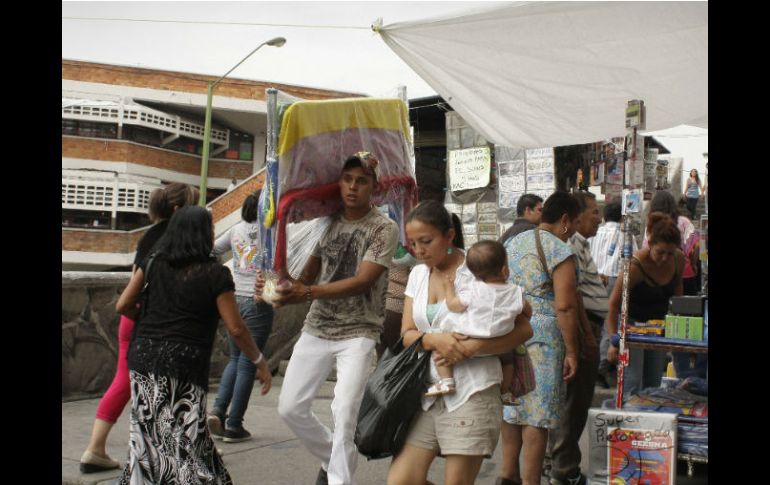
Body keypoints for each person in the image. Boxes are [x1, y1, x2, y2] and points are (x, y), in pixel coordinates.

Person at [267, 152, 399, 485]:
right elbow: (307, 276)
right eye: (348, 179)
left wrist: (306, 293)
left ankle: (339, 479)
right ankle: (333, 457)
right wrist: (280, 287)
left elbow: (362, 281)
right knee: (290, 407)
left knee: (345, 412)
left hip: (360, 330)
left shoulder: (384, 227)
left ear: (373, 186)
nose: (353, 187)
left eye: (361, 181)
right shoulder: (325, 221)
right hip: (318, 326)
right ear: (339, 183)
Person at [115, 206, 272, 483]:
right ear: (202, 234)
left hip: (144, 358)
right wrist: (259, 361)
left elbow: (124, 304)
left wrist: (150, 320)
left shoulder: (153, 262)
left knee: (147, 437)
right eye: (210, 229)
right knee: (186, 438)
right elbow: (236, 328)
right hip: (184, 364)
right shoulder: (215, 275)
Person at [387, 200, 533, 485]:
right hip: (426, 391)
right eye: (414, 244)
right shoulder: (417, 274)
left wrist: (474, 348)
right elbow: (406, 333)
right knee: (400, 481)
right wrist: (434, 340)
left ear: (450, 236)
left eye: (426, 241)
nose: (419, 250)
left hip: (474, 389)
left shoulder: (478, 269)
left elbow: (524, 329)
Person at [79, 182, 197, 473]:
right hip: (155, 322)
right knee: (176, 385)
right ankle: (185, 450)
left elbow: (134, 280)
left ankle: (95, 448)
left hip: (132, 320)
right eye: (195, 203)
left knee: (123, 382)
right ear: (178, 209)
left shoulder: (149, 237)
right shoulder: (177, 240)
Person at [496, 191, 581, 485]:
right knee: (537, 414)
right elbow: (566, 305)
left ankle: (507, 473)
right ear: (566, 220)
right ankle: (531, 481)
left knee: (513, 405)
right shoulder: (560, 250)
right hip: (544, 335)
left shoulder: (512, 243)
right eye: (578, 222)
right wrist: (572, 351)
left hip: (510, 329)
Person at [427, 240, 531, 407]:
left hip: (467, 336)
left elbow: (454, 305)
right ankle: (505, 392)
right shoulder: (515, 291)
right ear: (504, 270)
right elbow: (527, 311)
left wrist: (449, 288)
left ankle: (446, 381)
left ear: (474, 274)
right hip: (500, 340)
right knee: (508, 360)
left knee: (438, 346)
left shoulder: (472, 289)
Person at [545, 192, 605, 485]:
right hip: (581, 329)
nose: (598, 218)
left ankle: (557, 464)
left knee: (567, 403)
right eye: (593, 212)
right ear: (574, 217)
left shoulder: (576, 245)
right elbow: (572, 299)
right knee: (573, 404)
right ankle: (564, 469)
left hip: (583, 328)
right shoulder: (568, 247)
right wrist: (583, 341)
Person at [207, 192, 275, 443]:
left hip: (234, 300)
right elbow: (275, 266)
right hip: (258, 303)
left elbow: (212, 250)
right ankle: (234, 424)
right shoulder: (269, 232)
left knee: (235, 359)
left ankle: (217, 411)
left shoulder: (235, 230)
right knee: (248, 363)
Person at [606, 212, 684, 400]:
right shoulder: (634, 266)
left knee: (654, 384)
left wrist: (679, 325)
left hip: (659, 328)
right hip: (632, 327)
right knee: (631, 382)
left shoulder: (678, 260)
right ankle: (626, 424)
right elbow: (613, 305)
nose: (665, 258)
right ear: (650, 245)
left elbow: (678, 294)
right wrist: (613, 340)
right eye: (660, 252)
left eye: (669, 253)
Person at [587, 201, 637, 388]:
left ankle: (599, 364)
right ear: (621, 217)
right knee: (612, 322)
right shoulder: (625, 234)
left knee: (597, 322)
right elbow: (634, 258)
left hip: (594, 279)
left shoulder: (594, 232)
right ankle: (604, 363)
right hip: (616, 279)